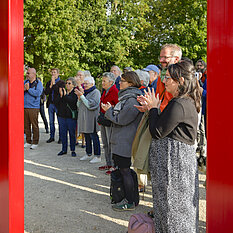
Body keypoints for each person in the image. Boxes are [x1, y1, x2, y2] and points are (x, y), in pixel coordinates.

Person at [141, 60, 201, 232]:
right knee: (173, 211)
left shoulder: (180, 103)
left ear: (181, 81)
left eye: (168, 78)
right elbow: (165, 125)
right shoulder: (183, 101)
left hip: (173, 168)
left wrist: (153, 108)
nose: (164, 81)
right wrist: (153, 109)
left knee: (173, 212)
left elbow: (158, 131)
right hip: (174, 166)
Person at [102, 71, 143, 211]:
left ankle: (129, 201)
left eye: (122, 81)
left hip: (125, 141)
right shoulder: (127, 97)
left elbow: (122, 119)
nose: (119, 83)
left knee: (125, 171)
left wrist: (109, 111)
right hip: (121, 140)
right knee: (123, 171)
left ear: (131, 83)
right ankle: (127, 197)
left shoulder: (132, 100)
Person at [75, 76, 101, 163]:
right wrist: (79, 98)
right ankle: (88, 153)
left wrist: (81, 96)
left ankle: (97, 155)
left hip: (91, 118)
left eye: (86, 83)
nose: (84, 85)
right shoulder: (85, 92)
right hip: (84, 118)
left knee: (94, 136)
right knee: (86, 136)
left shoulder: (96, 92)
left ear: (92, 84)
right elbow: (79, 105)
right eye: (84, 83)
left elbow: (91, 105)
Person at [98, 72, 119, 175]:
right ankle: (108, 163)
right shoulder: (105, 91)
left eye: (104, 81)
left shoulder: (114, 91)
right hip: (103, 119)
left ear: (111, 82)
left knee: (110, 143)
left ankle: (113, 165)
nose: (102, 83)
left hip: (109, 120)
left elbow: (117, 106)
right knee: (105, 143)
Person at [55, 77, 78, 157]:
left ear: (73, 85)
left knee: (72, 134)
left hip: (70, 117)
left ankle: (73, 150)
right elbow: (56, 102)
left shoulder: (75, 93)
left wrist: (64, 96)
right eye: (66, 83)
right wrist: (61, 96)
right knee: (63, 133)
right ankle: (64, 149)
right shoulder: (62, 92)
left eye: (69, 83)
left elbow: (72, 102)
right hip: (62, 116)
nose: (67, 85)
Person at [24, 68, 43, 149]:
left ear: (33, 74)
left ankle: (35, 142)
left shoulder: (38, 83)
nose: (26, 74)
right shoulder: (25, 82)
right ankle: (28, 141)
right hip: (25, 106)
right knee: (26, 125)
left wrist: (28, 89)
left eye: (28, 73)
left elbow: (38, 93)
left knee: (34, 125)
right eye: (26, 73)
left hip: (34, 107)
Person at [45, 68, 65, 143]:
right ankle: (52, 136)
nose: (53, 74)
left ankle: (61, 137)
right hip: (51, 104)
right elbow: (46, 92)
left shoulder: (61, 83)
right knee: (51, 121)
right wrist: (50, 85)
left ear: (58, 74)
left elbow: (59, 92)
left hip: (58, 104)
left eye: (54, 72)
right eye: (52, 72)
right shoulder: (48, 82)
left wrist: (54, 84)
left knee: (59, 122)